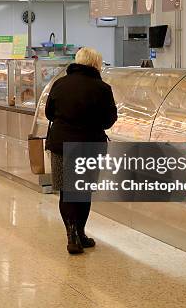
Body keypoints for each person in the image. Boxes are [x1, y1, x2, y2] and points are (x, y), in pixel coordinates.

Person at [45, 47, 118, 254]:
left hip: (61, 144)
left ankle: (72, 236)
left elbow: (49, 113)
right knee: (83, 192)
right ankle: (81, 233)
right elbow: (108, 121)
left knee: (67, 192)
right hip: (90, 145)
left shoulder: (59, 84)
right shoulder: (103, 88)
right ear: (96, 64)